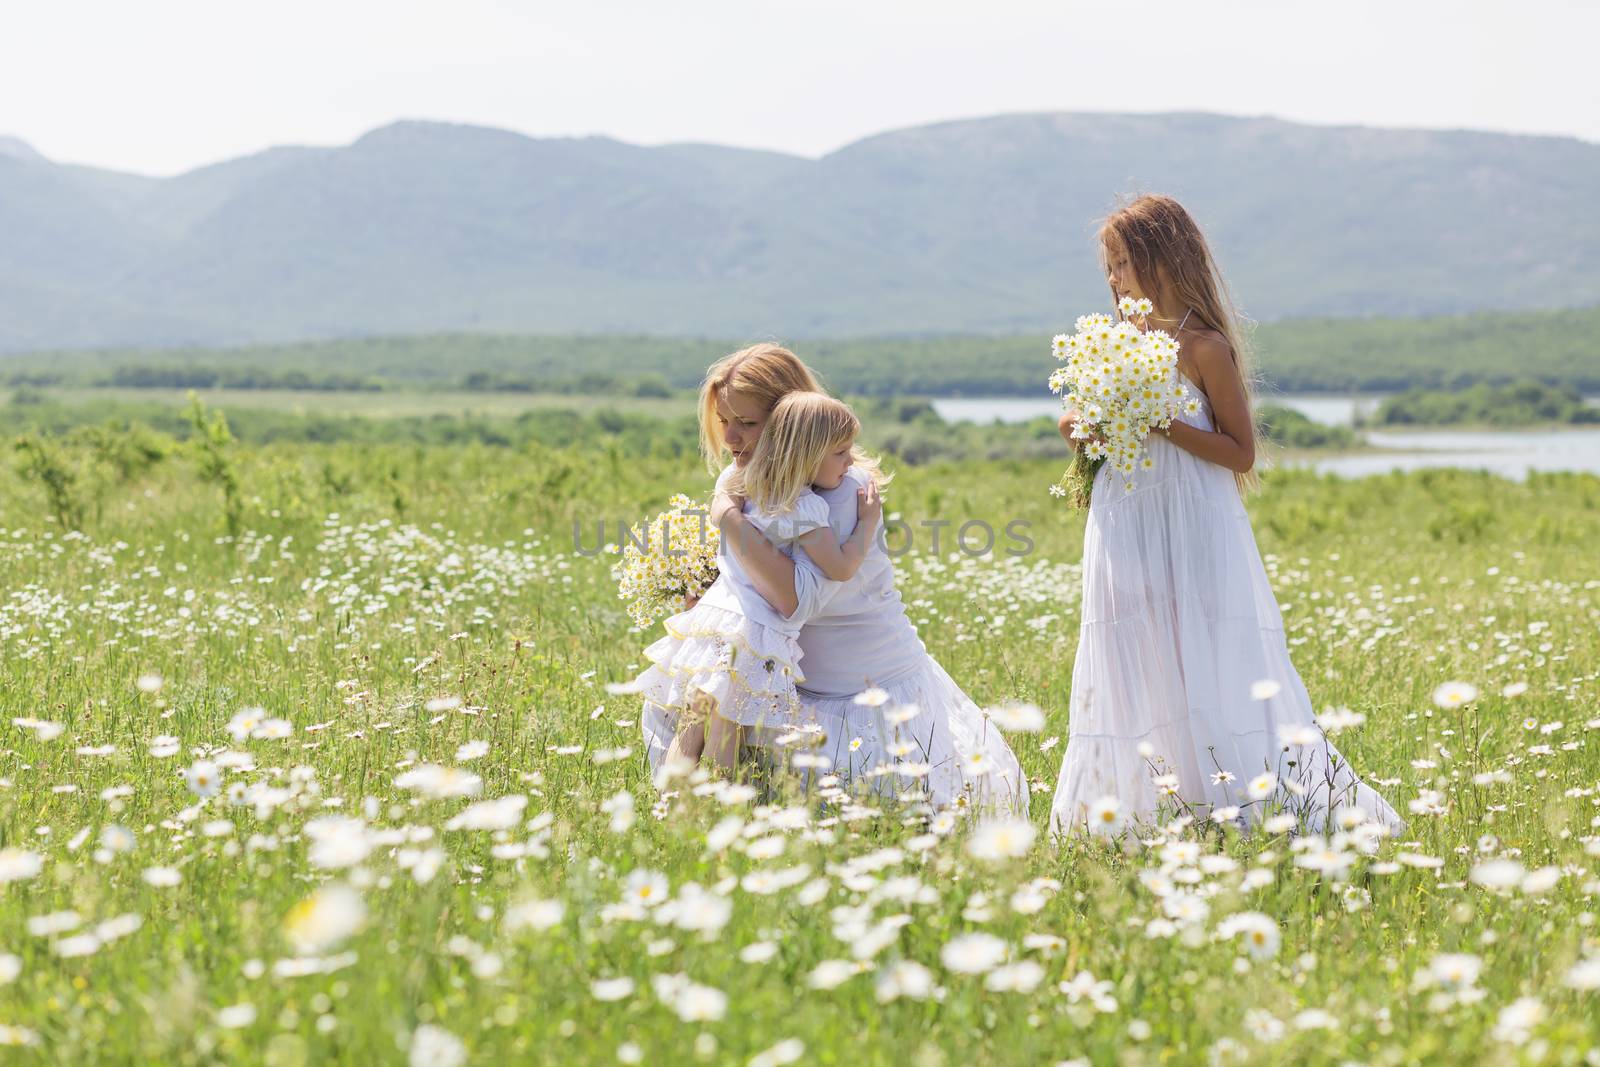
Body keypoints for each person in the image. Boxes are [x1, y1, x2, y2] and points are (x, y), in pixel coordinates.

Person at [1049, 194, 1401, 836]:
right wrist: (1085, 423)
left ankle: (1234, 801)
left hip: (1192, 518)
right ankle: (1151, 808)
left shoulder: (1205, 347)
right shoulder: (1114, 344)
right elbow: (1077, 424)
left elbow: (1239, 453)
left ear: (1164, 260)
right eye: (1109, 267)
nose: (1115, 279)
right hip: (1126, 518)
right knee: (1136, 648)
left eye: (1125, 263)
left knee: (1202, 649)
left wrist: (1164, 424)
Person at [638, 343, 1029, 813]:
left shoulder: (843, 493)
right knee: (705, 712)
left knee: (881, 807)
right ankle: (693, 814)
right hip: (780, 681)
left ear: (790, 425)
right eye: (725, 421)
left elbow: (793, 599)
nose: (731, 438)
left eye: (747, 422)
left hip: (856, 689)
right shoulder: (754, 482)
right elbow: (752, 575)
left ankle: (705, 809)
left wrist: (728, 519)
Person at [635, 392, 884, 774]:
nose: (850, 462)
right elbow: (841, 568)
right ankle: (717, 808)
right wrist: (867, 522)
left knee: (693, 725)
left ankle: (671, 804)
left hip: (715, 619)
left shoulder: (743, 484)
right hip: (754, 632)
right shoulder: (802, 506)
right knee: (726, 729)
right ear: (806, 453)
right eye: (840, 452)